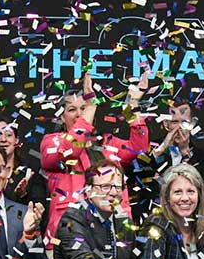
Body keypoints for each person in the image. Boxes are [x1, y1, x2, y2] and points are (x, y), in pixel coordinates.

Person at [39, 72, 150, 243]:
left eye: (84, 108)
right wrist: (90, 107)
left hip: (113, 233)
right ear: (62, 117)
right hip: (68, 236)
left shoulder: (108, 143)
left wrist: (132, 105)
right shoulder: (52, 142)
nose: (79, 114)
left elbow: (139, 150)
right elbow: (70, 150)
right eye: (72, 109)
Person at [40, 163, 158, 259]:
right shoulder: (72, 218)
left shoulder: (125, 224)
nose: (113, 192)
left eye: (118, 187)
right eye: (105, 186)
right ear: (88, 190)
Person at [0, 117, 47, 208]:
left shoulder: (30, 172)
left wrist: (22, 195)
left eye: (9, 135)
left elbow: (40, 206)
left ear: (16, 140)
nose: (3, 139)